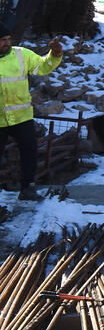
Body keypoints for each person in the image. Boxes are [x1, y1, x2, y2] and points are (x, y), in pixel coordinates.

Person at [0, 24, 62, 201]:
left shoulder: (21, 54)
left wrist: (55, 55)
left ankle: (28, 188)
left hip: (21, 117)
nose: (7, 43)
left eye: (9, 39)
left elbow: (42, 67)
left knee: (29, 151)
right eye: (3, 40)